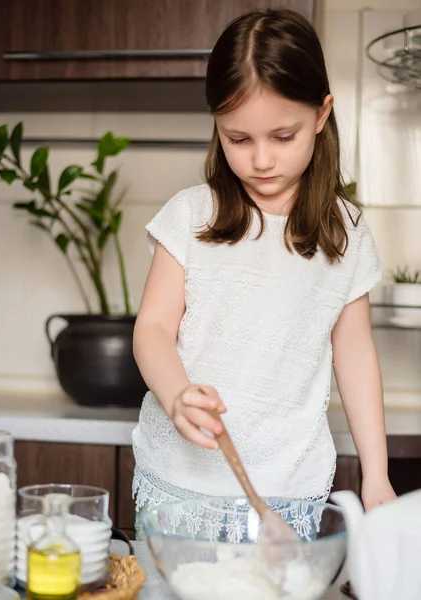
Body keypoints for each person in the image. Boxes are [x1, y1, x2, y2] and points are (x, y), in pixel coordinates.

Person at [131, 8, 396, 537]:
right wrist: (177, 392)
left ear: (322, 115)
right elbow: (153, 329)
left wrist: (378, 475)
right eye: (238, 139)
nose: (261, 160)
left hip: (287, 490)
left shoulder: (345, 233)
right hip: (179, 486)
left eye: (282, 136)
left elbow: (356, 356)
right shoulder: (191, 216)